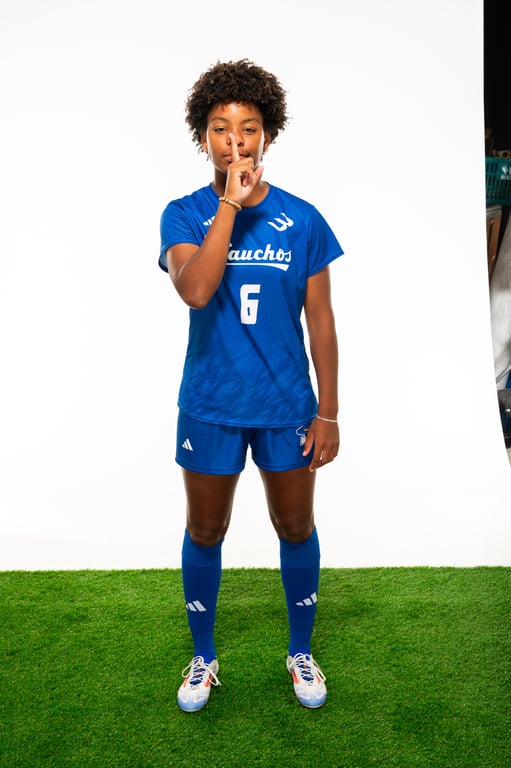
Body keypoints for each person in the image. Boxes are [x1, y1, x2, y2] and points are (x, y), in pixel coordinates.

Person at [159, 59, 343, 713]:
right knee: (205, 530)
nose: (234, 141)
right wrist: (230, 206)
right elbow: (196, 289)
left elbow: (321, 321)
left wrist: (328, 412)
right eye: (219, 128)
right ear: (201, 137)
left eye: (248, 127)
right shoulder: (183, 214)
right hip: (210, 405)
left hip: (286, 405)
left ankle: (300, 651)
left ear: (268, 135)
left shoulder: (302, 218)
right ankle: (204, 656)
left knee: (294, 524)